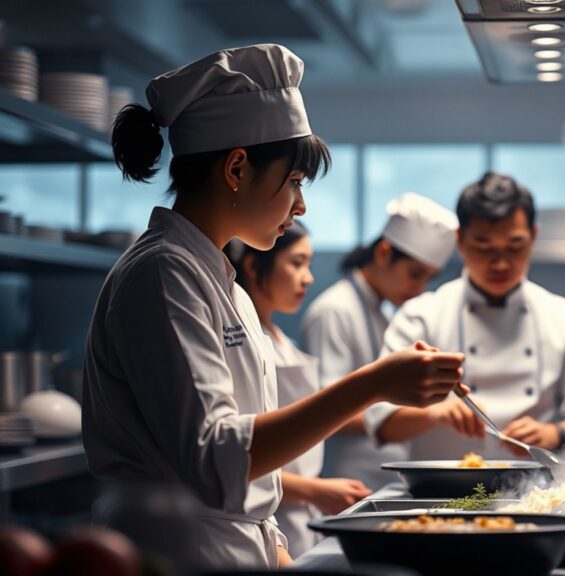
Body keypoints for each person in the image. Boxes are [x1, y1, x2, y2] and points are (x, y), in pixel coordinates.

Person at [83, 44, 463, 570]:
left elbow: (251, 469)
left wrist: (279, 552)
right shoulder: (162, 273)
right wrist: (374, 383)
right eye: (294, 182)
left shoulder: (225, 285)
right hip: (178, 553)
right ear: (237, 168)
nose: (301, 205)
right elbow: (216, 459)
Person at [364, 172, 565, 460]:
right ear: (461, 241)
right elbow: (381, 422)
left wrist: (557, 433)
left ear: (533, 236)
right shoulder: (420, 317)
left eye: (514, 247)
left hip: (538, 494)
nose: (500, 263)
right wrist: (435, 413)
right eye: (484, 247)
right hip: (443, 497)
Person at [226, 224, 372, 558]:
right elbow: (235, 452)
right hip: (266, 510)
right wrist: (313, 490)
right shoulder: (238, 340)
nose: (308, 278)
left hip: (293, 520)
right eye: (297, 263)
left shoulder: (277, 338)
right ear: (252, 265)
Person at [301, 193, 458, 488]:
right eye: (415, 274)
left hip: (379, 480)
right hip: (346, 480)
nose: (419, 288)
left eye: (428, 278)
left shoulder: (382, 314)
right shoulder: (334, 311)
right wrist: (416, 415)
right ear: (384, 253)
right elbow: (325, 409)